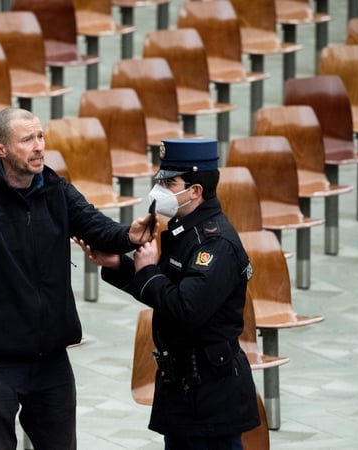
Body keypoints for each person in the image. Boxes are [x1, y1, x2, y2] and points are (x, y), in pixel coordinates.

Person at [0, 107, 154, 450]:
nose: (39, 146)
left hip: (51, 359)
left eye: (40, 136)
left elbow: (97, 228)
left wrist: (128, 236)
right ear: (0, 150)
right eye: (27, 140)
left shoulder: (57, 191)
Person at [77, 138, 259, 449]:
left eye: (168, 182)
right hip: (183, 386)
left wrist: (147, 271)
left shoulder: (215, 244)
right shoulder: (183, 229)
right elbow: (166, 288)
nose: (159, 189)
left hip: (210, 393)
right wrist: (120, 264)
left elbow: (186, 308)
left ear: (195, 190)